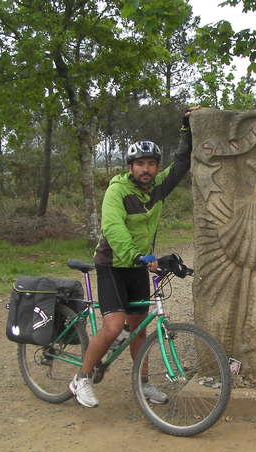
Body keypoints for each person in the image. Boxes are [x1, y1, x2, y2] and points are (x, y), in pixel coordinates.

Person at [69, 107, 198, 408]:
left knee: (139, 329)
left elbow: (181, 164)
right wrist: (138, 256)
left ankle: (144, 384)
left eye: (152, 164)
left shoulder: (156, 189)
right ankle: (82, 378)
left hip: (137, 266)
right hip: (113, 265)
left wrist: (186, 129)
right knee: (114, 327)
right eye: (140, 163)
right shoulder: (117, 191)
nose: (146, 169)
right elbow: (113, 229)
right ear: (130, 166)